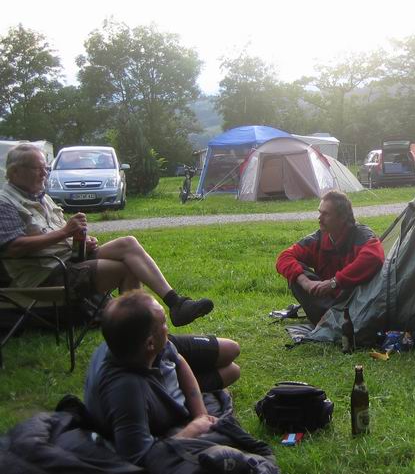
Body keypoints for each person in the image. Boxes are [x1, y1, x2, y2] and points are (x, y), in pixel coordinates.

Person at [0, 144, 212, 327]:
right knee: (125, 269)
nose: (44, 173)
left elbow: (56, 235)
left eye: (45, 168)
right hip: (44, 274)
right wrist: (65, 232)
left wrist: (79, 240)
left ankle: (176, 303)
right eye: (38, 168)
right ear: (15, 172)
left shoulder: (41, 197)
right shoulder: (5, 203)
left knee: (128, 243)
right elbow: (13, 247)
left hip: (67, 259)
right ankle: (137, 331)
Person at [83, 290, 240, 465]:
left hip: (158, 370)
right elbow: (140, 457)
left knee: (232, 358)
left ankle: (178, 390)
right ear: (150, 343)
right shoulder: (126, 391)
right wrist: (193, 430)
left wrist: (200, 415)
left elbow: (177, 359)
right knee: (230, 373)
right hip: (153, 403)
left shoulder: (134, 344)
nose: (168, 328)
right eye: (164, 323)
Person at [276, 190, 384, 325]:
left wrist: (334, 282)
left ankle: (335, 321)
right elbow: (284, 257)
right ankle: (329, 319)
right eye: (319, 212)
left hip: (357, 303)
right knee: (296, 273)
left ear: (342, 217)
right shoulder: (319, 239)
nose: (319, 218)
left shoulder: (361, 235)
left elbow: (373, 257)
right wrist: (306, 283)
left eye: (325, 214)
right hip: (327, 303)